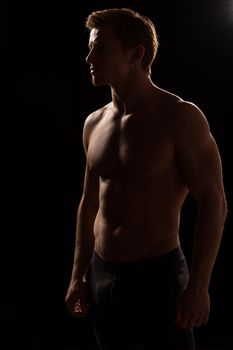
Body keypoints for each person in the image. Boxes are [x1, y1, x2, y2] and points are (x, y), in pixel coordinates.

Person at [65, 7, 227, 350]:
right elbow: (89, 202)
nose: (88, 57)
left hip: (158, 278)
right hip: (102, 275)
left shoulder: (180, 117)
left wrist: (199, 286)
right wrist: (78, 275)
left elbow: (214, 201)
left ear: (136, 54)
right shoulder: (93, 123)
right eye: (91, 47)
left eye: (101, 48)